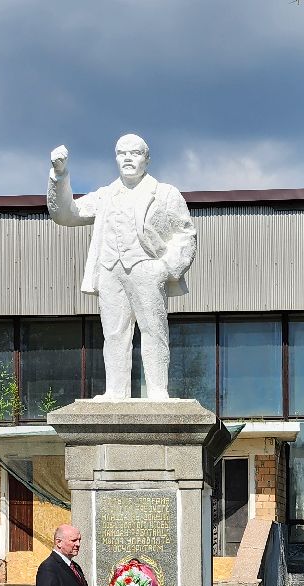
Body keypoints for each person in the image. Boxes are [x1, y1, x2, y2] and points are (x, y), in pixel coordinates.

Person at [46, 134, 197, 400]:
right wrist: (60, 174)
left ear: (147, 160)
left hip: (146, 267)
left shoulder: (164, 194)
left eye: (135, 153)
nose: (128, 158)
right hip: (109, 270)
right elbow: (66, 214)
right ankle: (116, 391)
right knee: (114, 334)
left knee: (153, 330)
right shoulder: (106, 195)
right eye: (122, 153)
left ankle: (158, 391)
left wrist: (166, 268)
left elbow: (185, 234)